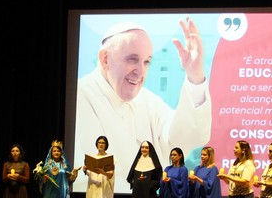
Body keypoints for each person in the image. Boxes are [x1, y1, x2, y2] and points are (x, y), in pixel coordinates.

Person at [75, 19, 211, 184]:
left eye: (146, 62)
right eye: (132, 59)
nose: (140, 72)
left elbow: (184, 139)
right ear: (105, 59)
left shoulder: (148, 101)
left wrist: (195, 76)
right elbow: (90, 176)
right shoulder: (80, 96)